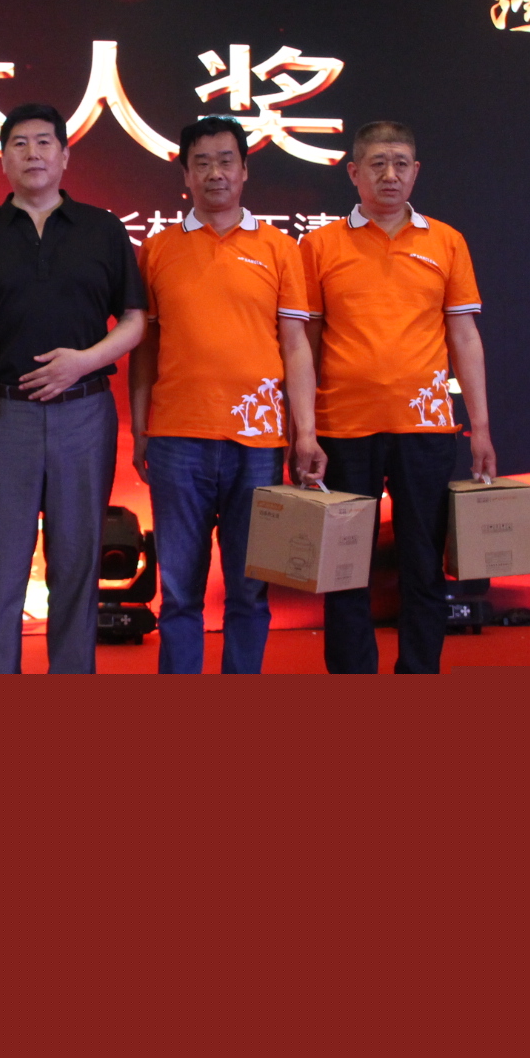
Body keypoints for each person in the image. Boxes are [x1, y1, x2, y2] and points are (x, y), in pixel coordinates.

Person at [0, 103, 147, 674]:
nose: (32, 153)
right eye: (19, 143)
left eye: (43, 142)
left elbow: (134, 321)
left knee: (78, 566)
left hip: (83, 414)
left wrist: (82, 363)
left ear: (64, 155)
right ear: (3, 159)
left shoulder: (103, 229)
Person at [128, 117, 325, 674]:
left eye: (225, 161)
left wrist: (305, 433)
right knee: (179, 595)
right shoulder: (157, 250)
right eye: (202, 163)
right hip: (177, 440)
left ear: (244, 170)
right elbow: (144, 351)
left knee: (249, 592)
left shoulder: (280, 248)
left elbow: (296, 347)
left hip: (258, 443)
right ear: (185, 174)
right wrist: (141, 430)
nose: (215, 173)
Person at [299, 121, 494, 675]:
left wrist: (480, 427)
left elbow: (464, 337)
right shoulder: (319, 245)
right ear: (354, 173)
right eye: (378, 163)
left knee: (423, 566)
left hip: (425, 428)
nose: (390, 174)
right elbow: (305, 342)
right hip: (341, 428)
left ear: (416, 171)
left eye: (401, 163)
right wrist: (304, 427)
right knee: (343, 572)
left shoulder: (446, 241)